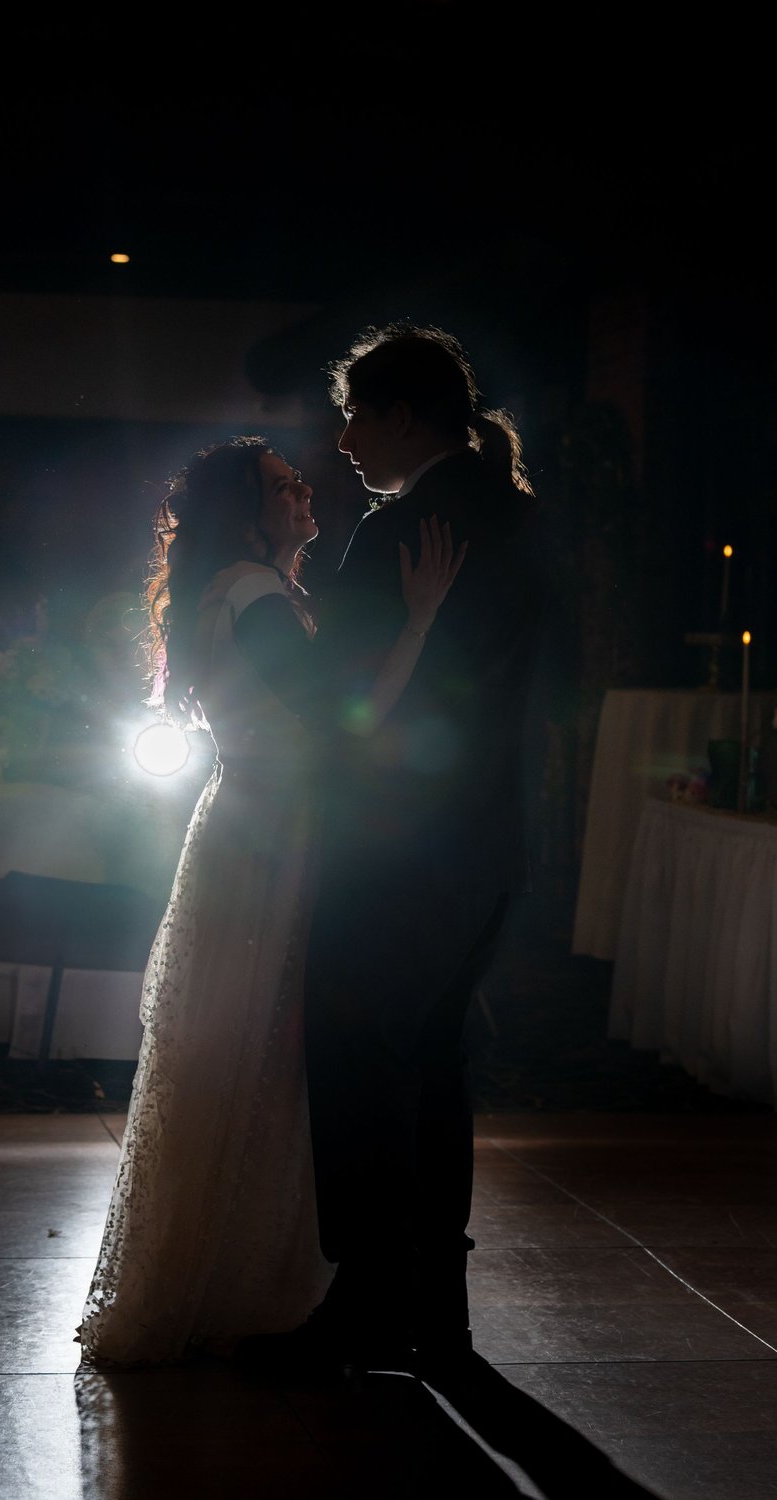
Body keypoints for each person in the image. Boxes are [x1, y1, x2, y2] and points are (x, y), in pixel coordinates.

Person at [76, 435, 464, 1370]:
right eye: (284, 487)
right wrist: (419, 624)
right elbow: (338, 726)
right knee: (268, 1049)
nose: (304, 493)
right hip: (278, 836)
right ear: (246, 515)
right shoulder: (253, 594)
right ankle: (249, 1280)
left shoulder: (245, 590)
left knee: (247, 1047)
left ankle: (235, 1268)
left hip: (248, 825)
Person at [254, 321, 549, 1390]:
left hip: (389, 842)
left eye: (354, 417)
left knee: (357, 1057)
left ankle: (373, 1304)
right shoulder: (522, 518)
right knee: (433, 1061)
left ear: (402, 416)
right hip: (491, 839)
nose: (342, 441)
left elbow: (330, 692)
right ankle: (439, 1314)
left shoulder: (399, 532)